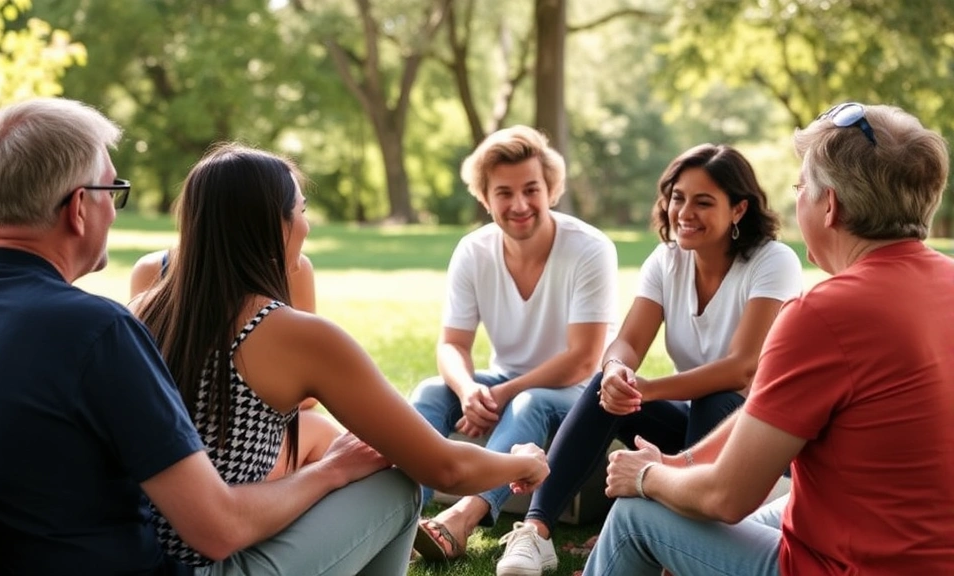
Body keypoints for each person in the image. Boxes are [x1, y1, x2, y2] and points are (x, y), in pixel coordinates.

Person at [0, 98, 546, 576]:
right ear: (78, 208)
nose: (116, 209)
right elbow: (217, 529)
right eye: (112, 192)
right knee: (389, 482)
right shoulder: (98, 330)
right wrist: (331, 472)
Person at [130, 141, 551, 574]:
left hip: (138, 557)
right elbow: (444, 467)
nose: (306, 225)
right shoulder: (290, 332)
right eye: (302, 209)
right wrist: (525, 462)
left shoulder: (139, 310)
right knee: (395, 481)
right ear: (272, 226)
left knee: (326, 440)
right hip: (212, 564)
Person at [582, 103, 954, 576]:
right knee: (764, 510)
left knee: (638, 514)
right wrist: (681, 462)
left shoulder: (824, 313)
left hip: (850, 565)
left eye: (802, 188)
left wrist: (648, 477)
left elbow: (725, 498)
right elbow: (767, 417)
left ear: (830, 205)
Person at [495, 144, 803, 576]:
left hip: (754, 446)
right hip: (693, 440)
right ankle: (537, 530)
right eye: (678, 198)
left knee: (716, 399)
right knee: (607, 386)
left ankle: (680, 541)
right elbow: (627, 342)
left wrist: (649, 388)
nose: (685, 212)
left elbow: (743, 368)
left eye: (703, 202)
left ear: (738, 210)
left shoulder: (773, 261)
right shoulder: (667, 260)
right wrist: (619, 371)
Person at [409, 125, 619, 561]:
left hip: (576, 394)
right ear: (486, 199)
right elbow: (451, 344)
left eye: (531, 189)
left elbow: (584, 360)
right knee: (432, 390)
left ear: (552, 189)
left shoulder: (589, 249)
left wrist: (501, 394)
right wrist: (469, 390)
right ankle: (396, 512)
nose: (519, 204)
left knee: (529, 403)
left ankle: (461, 521)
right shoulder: (473, 251)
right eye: (504, 193)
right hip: (504, 377)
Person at [130, 248, 339, 479]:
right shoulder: (292, 267)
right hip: (204, 453)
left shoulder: (151, 272)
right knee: (326, 435)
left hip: (168, 453)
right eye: (302, 211)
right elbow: (308, 395)